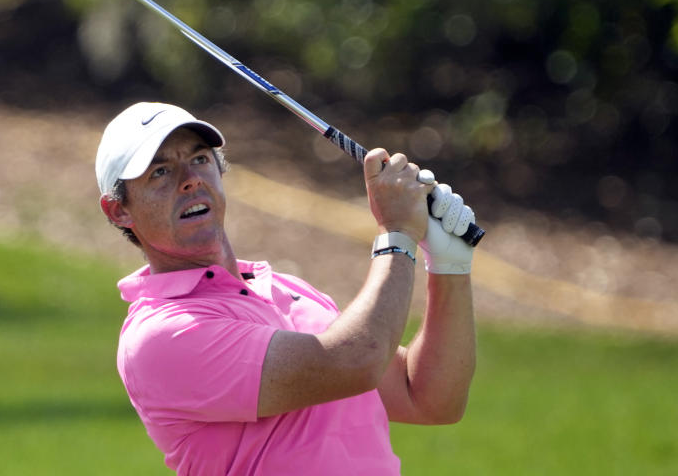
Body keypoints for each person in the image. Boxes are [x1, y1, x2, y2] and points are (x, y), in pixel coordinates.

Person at [96, 101, 477, 475]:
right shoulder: (161, 337)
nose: (190, 178)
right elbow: (353, 363)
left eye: (199, 159)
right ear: (119, 210)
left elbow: (427, 398)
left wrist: (449, 267)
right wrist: (397, 234)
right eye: (160, 172)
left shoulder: (285, 289)